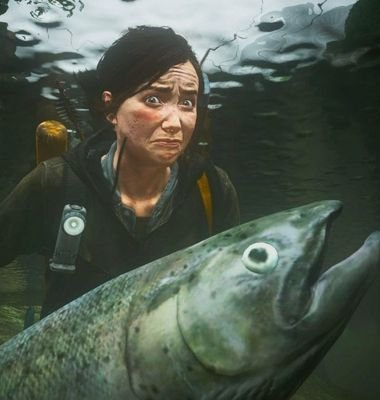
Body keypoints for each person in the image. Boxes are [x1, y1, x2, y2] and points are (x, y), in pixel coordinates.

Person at [0, 26, 240, 318]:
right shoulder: (56, 182)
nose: (175, 122)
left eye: (187, 102)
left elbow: (229, 294)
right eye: (154, 99)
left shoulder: (212, 189)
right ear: (110, 107)